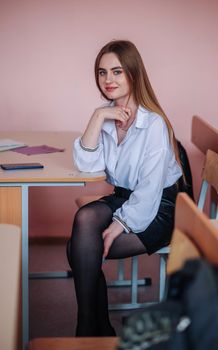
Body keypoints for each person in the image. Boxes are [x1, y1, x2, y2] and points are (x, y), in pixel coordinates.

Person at [68, 39, 183, 337]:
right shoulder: (108, 116)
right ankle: (93, 326)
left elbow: (148, 192)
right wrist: (97, 116)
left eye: (117, 72)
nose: (108, 80)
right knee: (84, 223)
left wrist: (119, 225)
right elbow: (88, 166)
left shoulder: (154, 124)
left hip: (160, 209)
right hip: (124, 198)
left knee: (80, 248)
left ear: (133, 74)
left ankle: (91, 328)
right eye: (102, 72)